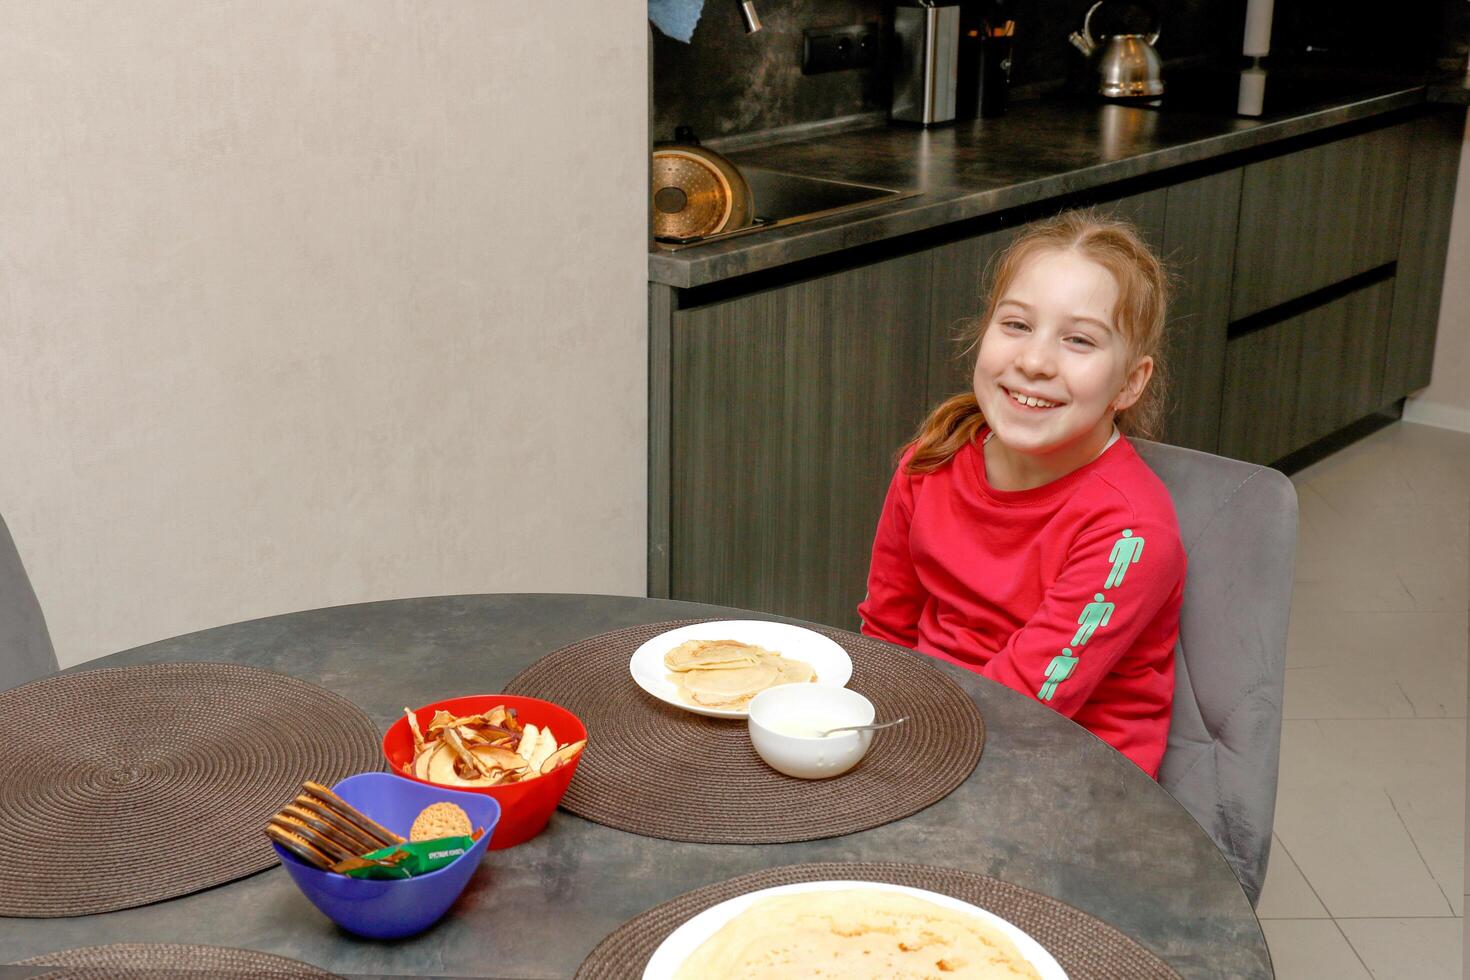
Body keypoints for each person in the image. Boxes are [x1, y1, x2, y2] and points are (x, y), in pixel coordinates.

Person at [858, 209, 1185, 778]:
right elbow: (886, 634)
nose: (1034, 362)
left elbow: (1028, 703)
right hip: (930, 734)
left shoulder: (1130, 534)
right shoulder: (929, 462)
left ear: (1131, 382)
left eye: (1079, 340)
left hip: (1065, 771)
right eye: (1015, 325)